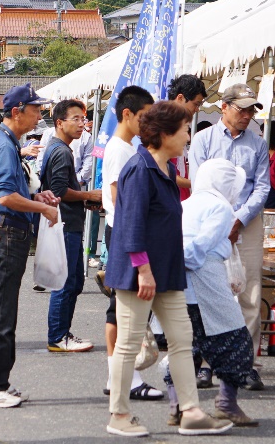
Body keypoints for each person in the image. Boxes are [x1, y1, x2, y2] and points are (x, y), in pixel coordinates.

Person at [105, 100, 233, 438]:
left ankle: (190, 411)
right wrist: (143, 270)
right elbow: (130, 225)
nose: (188, 136)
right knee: (129, 344)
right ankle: (119, 414)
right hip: (140, 274)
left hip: (167, 271)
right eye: (184, 130)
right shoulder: (139, 169)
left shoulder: (167, 170)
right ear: (164, 135)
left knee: (181, 339)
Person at [0, 84, 60, 409]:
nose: (39, 115)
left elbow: (9, 191)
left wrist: (36, 197)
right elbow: (6, 197)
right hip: (5, 234)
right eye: (35, 109)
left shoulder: (6, 141)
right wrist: (44, 208)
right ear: (16, 112)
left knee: (2, 312)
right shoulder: (5, 145)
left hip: (6, 233)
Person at [163, 159, 258, 427]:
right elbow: (199, 246)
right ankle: (226, 404)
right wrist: (186, 261)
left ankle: (176, 406)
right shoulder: (220, 207)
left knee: (184, 346)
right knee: (235, 340)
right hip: (205, 280)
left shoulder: (186, 203)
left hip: (177, 282)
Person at [189, 83, 270, 391]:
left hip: (246, 224)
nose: (247, 115)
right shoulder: (203, 140)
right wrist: (223, 218)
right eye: (243, 109)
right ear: (224, 107)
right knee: (211, 291)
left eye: (251, 110)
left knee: (249, 293)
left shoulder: (258, 143)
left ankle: (245, 362)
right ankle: (209, 362)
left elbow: (262, 187)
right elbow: (199, 184)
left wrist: (239, 218)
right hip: (211, 222)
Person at [99, 86, 159, 400]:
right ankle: (127, 377)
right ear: (127, 114)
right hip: (123, 232)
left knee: (122, 308)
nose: (147, 123)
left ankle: (119, 377)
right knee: (123, 309)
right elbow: (115, 195)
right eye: (144, 117)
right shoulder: (120, 149)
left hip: (122, 231)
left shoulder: (127, 146)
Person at [41, 99, 102, 353]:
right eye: (75, 119)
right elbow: (57, 191)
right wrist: (88, 196)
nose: (81, 124)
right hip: (64, 224)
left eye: (83, 119)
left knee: (74, 282)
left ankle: (62, 333)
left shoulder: (60, 148)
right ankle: (58, 336)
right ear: (59, 122)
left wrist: (84, 201)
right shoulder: (61, 150)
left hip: (69, 221)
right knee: (65, 283)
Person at [165, 74, 207, 200]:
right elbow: (164, 171)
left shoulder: (177, 125)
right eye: (196, 104)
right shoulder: (164, 126)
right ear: (180, 98)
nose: (197, 109)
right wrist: (196, 184)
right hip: (170, 199)